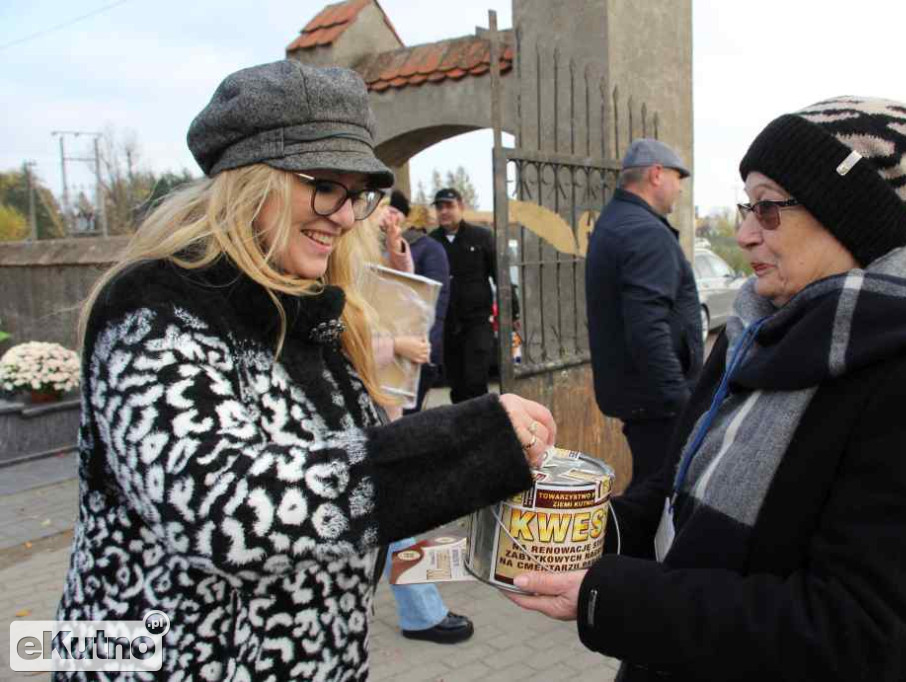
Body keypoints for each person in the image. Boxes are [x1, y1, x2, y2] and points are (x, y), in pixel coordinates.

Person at [55, 59, 556, 681]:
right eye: (325, 185)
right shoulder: (154, 307)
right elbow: (223, 511)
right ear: (249, 180)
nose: (345, 216)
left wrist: (492, 539)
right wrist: (474, 442)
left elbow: (348, 475)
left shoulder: (309, 308)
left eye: (357, 194)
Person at [508, 96, 906, 682]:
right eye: (745, 207)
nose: (745, 234)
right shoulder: (758, 327)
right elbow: (680, 492)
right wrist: (572, 532)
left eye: (769, 209)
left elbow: (861, 631)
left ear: (847, 214)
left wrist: (618, 601)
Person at [359, 196, 474, 644]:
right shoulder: (327, 257)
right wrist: (399, 347)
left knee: (397, 509)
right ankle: (421, 611)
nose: (385, 213)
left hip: (382, 403)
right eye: (377, 204)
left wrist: (393, 249)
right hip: (366, 406)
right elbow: (344, 341)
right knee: (399, 507)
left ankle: (420, 610)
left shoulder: (371, 250)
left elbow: (396, 300)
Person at [585, 138, 702, 491]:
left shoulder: (617, 220)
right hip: (658, 404)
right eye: (677, 177)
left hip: (641, 398)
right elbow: (647, 328)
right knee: (657, 493)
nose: (680, 188)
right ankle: (621, 546)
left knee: (650, 485)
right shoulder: (644, 231)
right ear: (656, 174)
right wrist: (680, 405)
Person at [429, 187, 502, 404]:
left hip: (477, 323)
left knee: (475, 380)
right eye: (440, 207)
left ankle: (482, 429)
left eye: (449, 206)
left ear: (461, 207)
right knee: (456, 384)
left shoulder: (481, 237)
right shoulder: (432, 243)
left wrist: (512, 312)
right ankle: (463, 431)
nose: (444, 211)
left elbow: (499, 274)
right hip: (447, 325)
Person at [390, 189, 451, 413]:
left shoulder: (430, 249)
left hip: (416, 351)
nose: (387, 217)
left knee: (405, 419)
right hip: (387, 348)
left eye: (393, 211)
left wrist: (428, 351)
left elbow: (434, 302)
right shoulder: (374, 244)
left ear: (406, 216)